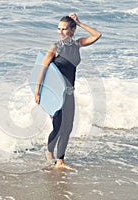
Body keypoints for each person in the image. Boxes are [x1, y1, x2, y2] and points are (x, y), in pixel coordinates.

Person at [34, 13, 101, 170]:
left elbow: (97, 35)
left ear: (73, 30)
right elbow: (42, 69)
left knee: (68, 127)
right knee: (58, 128)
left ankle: (60, 160)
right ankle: (50, 151)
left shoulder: (77, 45)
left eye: (64, 29)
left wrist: (80, 22)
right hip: (56, 93)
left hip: (70, 92)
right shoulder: (55, 47)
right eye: (59, 29)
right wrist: (38, 92)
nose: (60, 32)